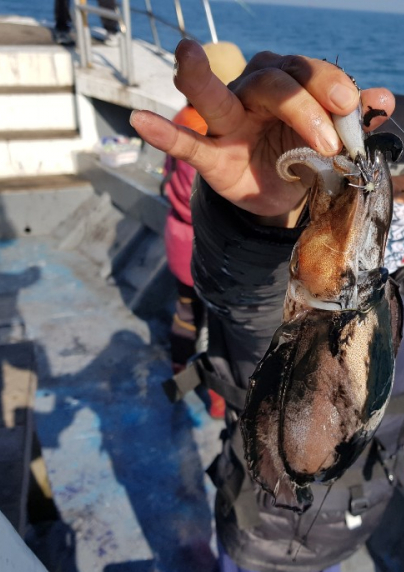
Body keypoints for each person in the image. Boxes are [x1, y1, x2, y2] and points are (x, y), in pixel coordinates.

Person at [131, 43, 404, 572]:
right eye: (394, 189)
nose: (402, 206)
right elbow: (246, 292)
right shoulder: (296, 286)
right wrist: (254, 219)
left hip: (354, 518)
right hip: (265, 524)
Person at [162, 41, 247, 419]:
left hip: (176, 237)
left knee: (184, 311)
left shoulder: (179, 118)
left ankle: (178, 369)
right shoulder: (217, 136)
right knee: (216, 327)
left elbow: (168, 176)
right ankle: (217, 400)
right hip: (209, 251)